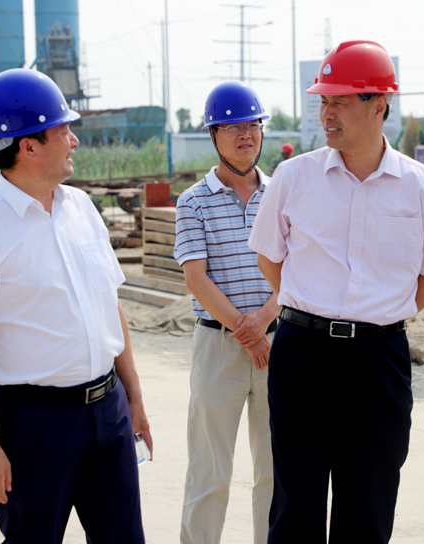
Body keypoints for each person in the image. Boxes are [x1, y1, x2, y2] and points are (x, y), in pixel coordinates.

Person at [247, 41, 424, 544]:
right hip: (303, 356)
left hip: (378, 362)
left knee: (368, 505)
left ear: (378, 104)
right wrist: (313, 310)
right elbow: (269, 259)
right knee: (296, 506)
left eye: (340, 102)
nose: (326, 113)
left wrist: (377, 316)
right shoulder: (294, 177)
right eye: (323, 102)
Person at [0, 68, 152, 544]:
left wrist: (133, 398)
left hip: (108, 410)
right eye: (63, 131)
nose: (74, 141)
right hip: (34, 425)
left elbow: (109, 305)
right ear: (29, 146)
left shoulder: (82, 208)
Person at [174, 80, 280, 544]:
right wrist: (245, 330)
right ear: (213, 135)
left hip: (279, 343)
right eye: (233, 127)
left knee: (277, 469)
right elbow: (196, 278)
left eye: (253, 126)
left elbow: (297, 270)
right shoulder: (193, 201)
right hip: (219, 346)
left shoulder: (281, 194)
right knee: (209, 469)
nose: (246, 135)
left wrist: (264, 322)